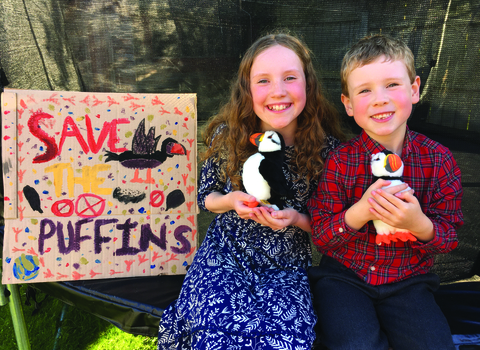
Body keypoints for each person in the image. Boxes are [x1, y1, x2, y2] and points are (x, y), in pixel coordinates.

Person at [157, 32, 346, 349]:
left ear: (308, 85)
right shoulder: (228, 135)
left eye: (289, 78)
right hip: (225, 257)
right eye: (263, 81)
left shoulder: (327, 151)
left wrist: (296, 219)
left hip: (285, 268)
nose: (278, 91)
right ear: (246, 89)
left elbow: (330, 227)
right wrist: (231, 200)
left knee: (288, 340)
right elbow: (207, 198)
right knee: (214, 336)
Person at [307, 33, 463, 350]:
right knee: (355, 345)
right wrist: (359, 212)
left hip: (410, 281)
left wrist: (419, 224)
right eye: (365, 90)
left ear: (414, 89)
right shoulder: (340, 161)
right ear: (349, 105)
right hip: (344, 278)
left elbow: (450, 237)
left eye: (392, 84)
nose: (380, 98)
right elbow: (321, 235)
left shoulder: (438, 159)